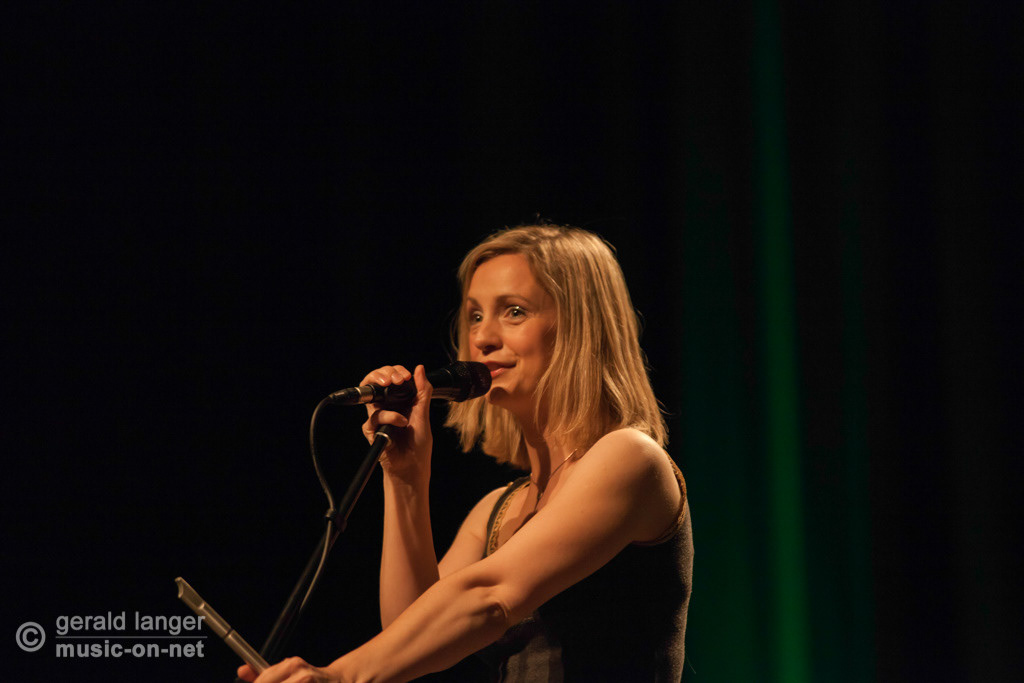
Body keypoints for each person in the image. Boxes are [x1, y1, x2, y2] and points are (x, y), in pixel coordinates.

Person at [239, 224, 693, 682]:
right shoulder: (494, 511)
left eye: (514, 311)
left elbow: (490, 597)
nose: (483, 338)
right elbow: (411, 638)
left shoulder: (631, 459)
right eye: (475, 316)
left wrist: (339, 676)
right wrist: (405, 478)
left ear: (582, 328)